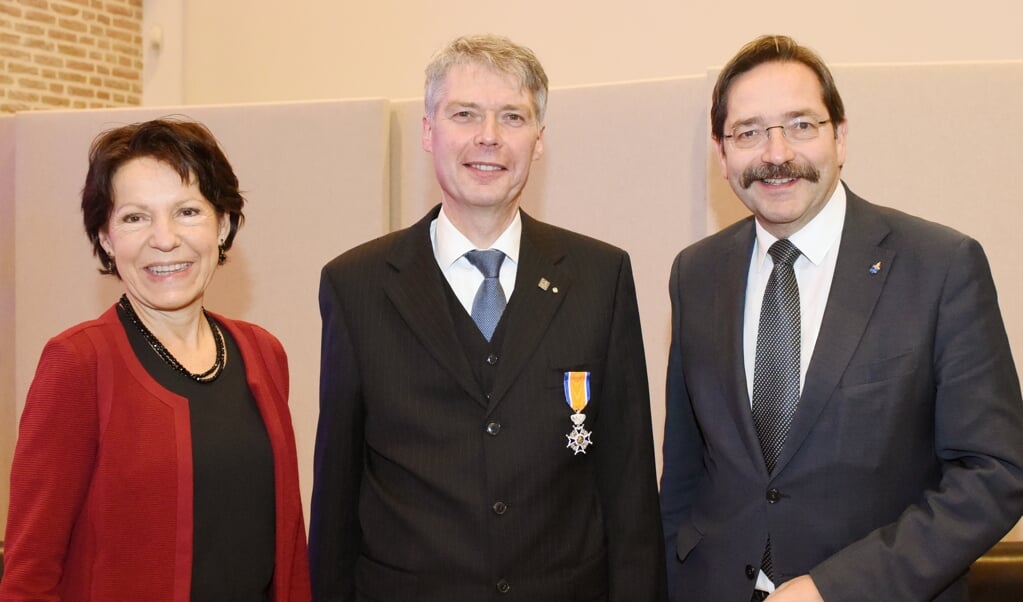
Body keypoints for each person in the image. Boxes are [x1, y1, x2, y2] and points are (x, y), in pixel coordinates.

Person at [658, 34, 1023, 602]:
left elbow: (995, 472)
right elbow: (683, 470)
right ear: (721, 152)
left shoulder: (940, 266)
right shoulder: (696, 273)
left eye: (801, 125)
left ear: (840, 136)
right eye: (749, 132)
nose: (776, 153)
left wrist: (836, 588)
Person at [309, 34, 665, 601]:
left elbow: (628, 488)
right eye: (465, 114)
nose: (489, 137)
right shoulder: (356, 286)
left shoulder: (602, 278)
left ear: (539, 140)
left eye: (512, 117)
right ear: (429, 131)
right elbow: (335, 492)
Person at [0, 119, 311, 601]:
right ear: (105, 238)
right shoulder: (78, 362)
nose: (164, 239)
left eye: (187, 211)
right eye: (134, 218)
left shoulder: (263, 353)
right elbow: (30, 570)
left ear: (223, 224)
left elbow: (288, 543)